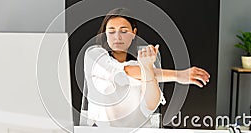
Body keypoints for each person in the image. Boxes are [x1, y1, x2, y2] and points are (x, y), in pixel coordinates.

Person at [82, 8, 210, 128]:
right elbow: (121, 74)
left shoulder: (143, 63)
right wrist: (178, 75)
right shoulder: (94, 55)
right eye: (111, 31)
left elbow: (149, 106)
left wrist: (147, 69)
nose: (117, 37)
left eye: (124, 31)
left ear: (134, 33)